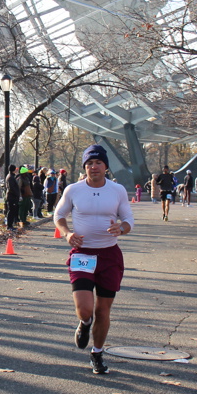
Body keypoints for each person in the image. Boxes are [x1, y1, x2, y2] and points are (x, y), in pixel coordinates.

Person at [54, 144, 134, 375]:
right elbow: (59, 215)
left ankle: (97, 353)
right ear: (85, 167)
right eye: (89, 163)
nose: (94, 166)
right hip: (83, 254)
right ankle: (84, 323)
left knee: (103, 310)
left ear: (105, 166)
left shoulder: (117, 190)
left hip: (109, 255)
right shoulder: (73, 190)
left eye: (98, 162)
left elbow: (128, 219)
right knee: (85, 309)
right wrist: (67, 234)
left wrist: (121, 228)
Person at [4, 165, 20, 230]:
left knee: (12, 211)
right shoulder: (10, 177)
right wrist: (17, 194)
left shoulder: (11, 176)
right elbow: (11, 188)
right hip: (11, 196)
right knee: (11, 211)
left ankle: (11, 224)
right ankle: (9, 225)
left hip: (12, 196)